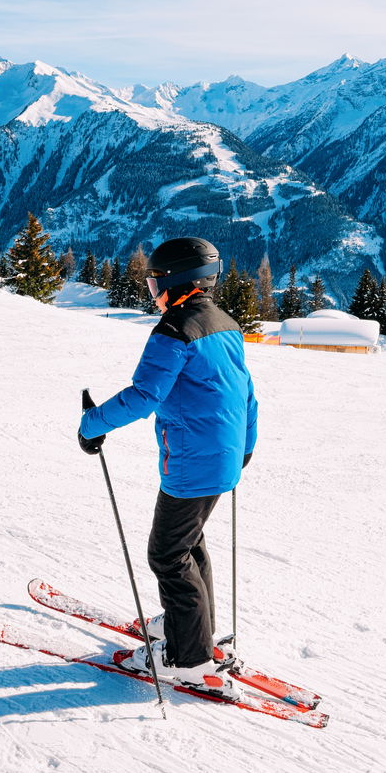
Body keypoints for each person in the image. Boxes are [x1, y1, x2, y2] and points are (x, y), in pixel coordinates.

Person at [78, 236, 258, 693]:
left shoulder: (174, 330)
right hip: (223, 456)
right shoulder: (224, 322)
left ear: (175, 281)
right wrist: (246, 446)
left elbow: (145, 395)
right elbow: (247, 393)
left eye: (154, 280)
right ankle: (192, 627)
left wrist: (92, 423)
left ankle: (189, 659)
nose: (151, 290)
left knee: (167, 553)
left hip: (191, 462)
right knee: (189, 543)